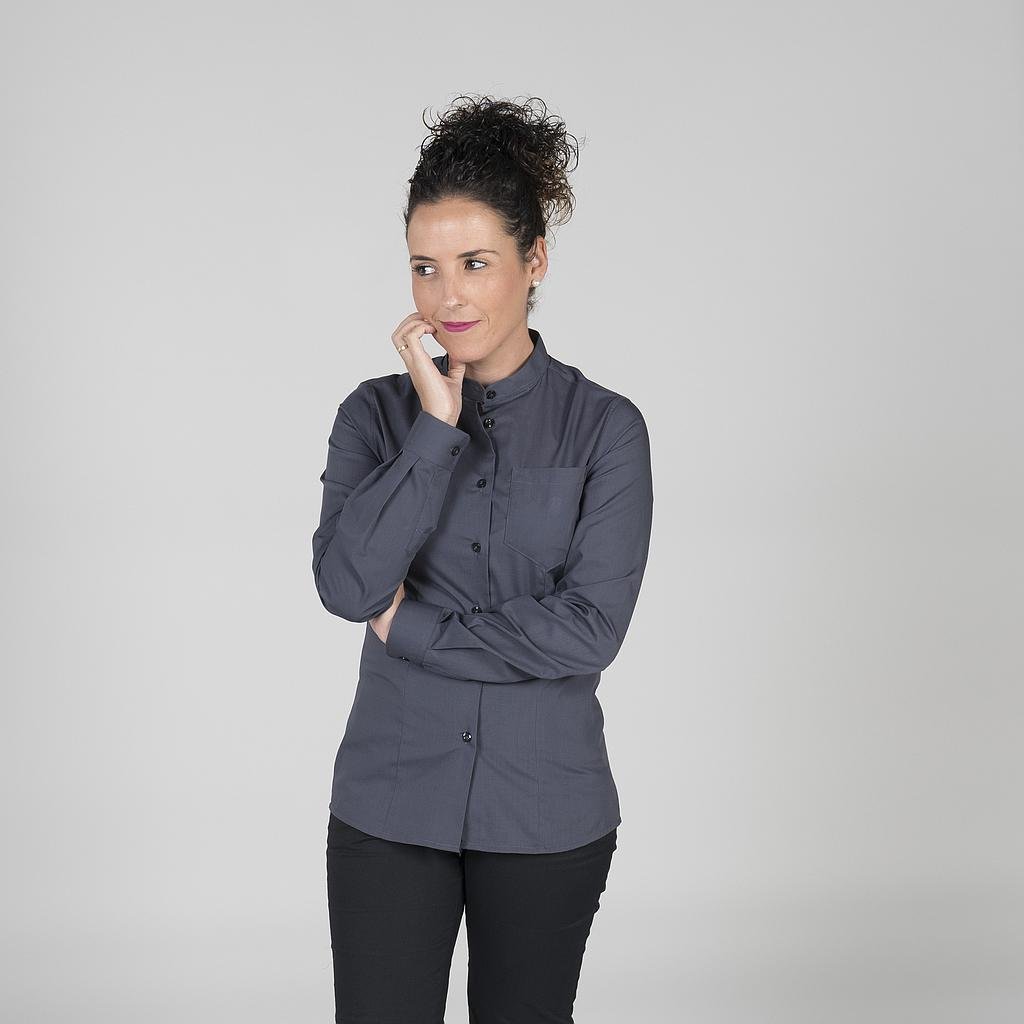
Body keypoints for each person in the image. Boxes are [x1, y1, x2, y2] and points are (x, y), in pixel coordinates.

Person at [312, 93, 654, 1024]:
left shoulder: (606, 430)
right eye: (425, 267)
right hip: (389, 806)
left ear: (533, 261)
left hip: (546, 811)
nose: (446, 297)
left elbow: (589, 628)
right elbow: (346, 586)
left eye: (475, 264)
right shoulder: (373, 416)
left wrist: (414, 628)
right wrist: (435, 428)